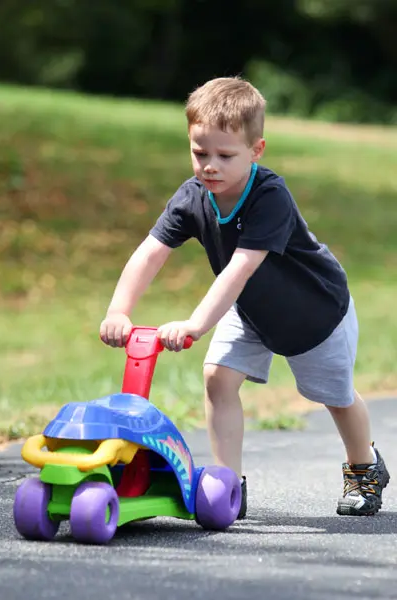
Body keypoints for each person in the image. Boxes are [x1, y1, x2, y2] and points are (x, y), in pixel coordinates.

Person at [100, 76, 389, 519]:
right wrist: (120, 309)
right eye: (200, 153)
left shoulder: (269, 195)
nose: (209, 166)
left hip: (314, 313)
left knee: (335, 396)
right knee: (218, 377)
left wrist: (196, 324)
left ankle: (364, 467)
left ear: (256, 151)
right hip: (252, 310)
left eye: (224, 155)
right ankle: (226, 482)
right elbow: (150, 253)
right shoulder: (193, 196)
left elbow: (240, 269)